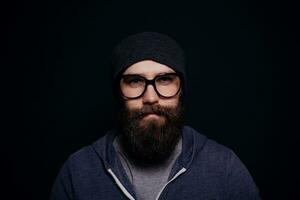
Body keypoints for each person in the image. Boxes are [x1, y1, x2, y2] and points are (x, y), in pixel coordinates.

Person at [50, 32, 260, 200]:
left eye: (165, 80)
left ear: (182, 91)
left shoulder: (224, 169)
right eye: (135, 81)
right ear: (117, 92)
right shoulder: (77, 173)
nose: (150, 97)